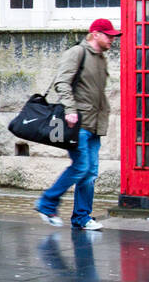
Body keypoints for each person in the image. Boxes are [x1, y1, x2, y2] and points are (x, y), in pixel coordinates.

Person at [36, 18, 120, 231]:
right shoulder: (77, 53)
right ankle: (47, 203)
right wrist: (71, 111)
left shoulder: (101, 58)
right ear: (95, 34)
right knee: (81, 167)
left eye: (113, 36)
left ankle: (81, 217)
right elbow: (61, 82)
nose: (112, 39)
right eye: (108, 35)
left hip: (95, 124)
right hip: (78, 123)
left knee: (90, 172)